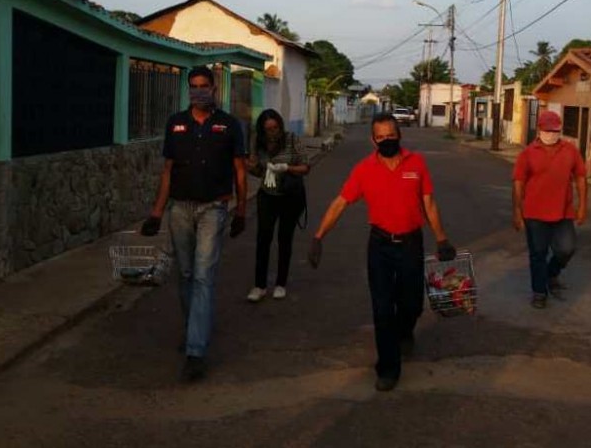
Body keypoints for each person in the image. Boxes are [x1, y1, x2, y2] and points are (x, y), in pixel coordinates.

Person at [308, 113, 457, 392]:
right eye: (381, 137)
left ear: (399, 135)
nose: (386, 140)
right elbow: (340, 202)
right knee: (382, 308)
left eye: (391, 135)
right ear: (373, 140)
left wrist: (442, 239)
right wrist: (319, 237)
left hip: (411, 244)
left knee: (411, 303)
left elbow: (429, 203)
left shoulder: (417, 163)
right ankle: (388, 367)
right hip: (380, 246)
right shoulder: (364, 169)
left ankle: (405, 331)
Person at [140, 66, 247, 381]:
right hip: (179, 209)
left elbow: (240, 171)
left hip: (213, 208)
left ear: (214, 89)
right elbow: (168, 171)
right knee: (185, 274)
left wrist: (241, 211)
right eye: (194, 86)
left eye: (204, 86)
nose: (199, 91)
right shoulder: (176, 124)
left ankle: (196, 351)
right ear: (189, 89)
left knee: (203, 276)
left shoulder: (229, 125)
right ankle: (193, 330)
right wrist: (156, 213)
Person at [512, 110, 587, 310]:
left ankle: (551, 273)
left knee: (567, 249)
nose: (551, 135)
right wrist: (517, 211)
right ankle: (539, 292)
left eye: (555, 131)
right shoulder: (527, 153)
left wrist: (582, 206)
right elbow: (518, 183)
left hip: (563, 212)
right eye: (547, 131)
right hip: (534, 214)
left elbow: (580, 177)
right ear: (539, 130)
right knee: (538, 253)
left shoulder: (570, 151)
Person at [246, 108, 310, 302]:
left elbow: (305, 167)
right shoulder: (258, 142)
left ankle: (281, 283)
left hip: (289, 196)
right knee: (263, 239)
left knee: (285, 238)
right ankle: (259, 285)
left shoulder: (291, 139)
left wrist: (287, 168)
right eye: (268, 129)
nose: (272, 132)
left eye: (275, 128)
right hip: (267, 195)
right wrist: (253, 167)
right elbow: (257, 170)